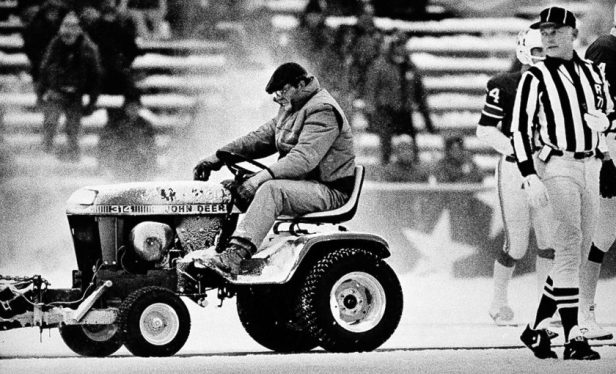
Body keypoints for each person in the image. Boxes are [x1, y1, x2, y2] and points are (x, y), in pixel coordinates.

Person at [512, 7, 615, 360]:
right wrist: (528, 174)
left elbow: (609, 111)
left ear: (572, 32)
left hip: (590, 163)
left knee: (579, 248)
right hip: (556, 163)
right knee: (569, 245)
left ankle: (536, 328)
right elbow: (520, 130)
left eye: (556, 30)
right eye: (545, 30)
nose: (549, 36)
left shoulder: (591, 73)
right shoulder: (535, 77)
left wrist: (607, 125)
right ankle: (573, 335)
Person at [193, 62, 356, 277]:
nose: (278, 97)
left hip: (328, 188)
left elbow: (302, 160)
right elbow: (258, 139)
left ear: (300, 84)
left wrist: (258, 179)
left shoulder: (322, 110)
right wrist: (218, 156)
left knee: (271, 190)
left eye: (282, 90)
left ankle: (234, 256)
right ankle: (212, 248)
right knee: (230, 189)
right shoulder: (291, 108)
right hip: (302, 183)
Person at [477, 28, 554, 326]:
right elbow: (484, 129)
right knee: (518, 244)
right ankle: (498, 301)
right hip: (514, 167)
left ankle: (546, 307)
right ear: (524, 51)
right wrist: (521, 150)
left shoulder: (559, 86)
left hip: (548, 166)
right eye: (538, 52)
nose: (544, 59)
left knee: (549, 241)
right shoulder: (505, 85)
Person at [578, 3, 616, 341]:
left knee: (605, 233)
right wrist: (603, 153)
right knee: (598, 234)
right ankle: (580, 312)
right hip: (609, 147)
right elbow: (592, 105)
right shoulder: (607, 47)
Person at [37, 11, 102, 160]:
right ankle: (46, 151)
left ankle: (73, 154)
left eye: (73, 27)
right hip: (56, 91)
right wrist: (40, 94)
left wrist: (92, 101)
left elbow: (96, 76)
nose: (68, 32)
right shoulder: (54, 45)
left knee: (72, 127)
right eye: (66, 26)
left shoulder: (88, 48)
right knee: (50, 121)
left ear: (79, 29)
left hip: (75, 93)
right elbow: (44, 69)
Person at [365, 33, 435, 165]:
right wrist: (371, 116)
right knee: (386, 146)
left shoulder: (410, 67)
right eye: (398, 45)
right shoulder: (380, 65)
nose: (401, 48)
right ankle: (385, 171)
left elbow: (420, 95)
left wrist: (427, 120)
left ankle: (413, 173)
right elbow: (370, 91)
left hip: (405, 112)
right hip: (386, 111)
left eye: (403, 45)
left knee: (411, 146)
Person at [97, 92, 157, 180]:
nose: (133, 109)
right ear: (125, 107)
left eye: (135, 106)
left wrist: (151, 168)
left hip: (139, 166)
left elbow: (151, 148)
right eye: (130, 106)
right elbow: (105, 146)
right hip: (119, 164)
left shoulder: (145, 125)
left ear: (139, 108)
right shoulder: (114, 124)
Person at [22, 0, 70, 83]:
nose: (53, 15)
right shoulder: (36, 26)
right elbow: (30, 48)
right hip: (40, 60)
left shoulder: (65, 24)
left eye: (55, 12)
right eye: (51, 12)